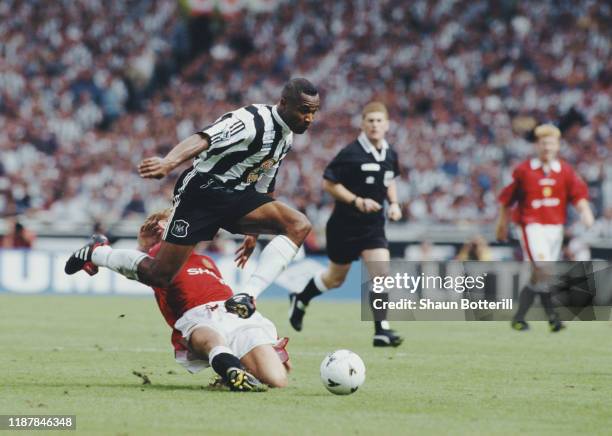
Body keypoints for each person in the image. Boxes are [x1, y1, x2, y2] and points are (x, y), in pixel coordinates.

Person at [65, 78, 320, 318]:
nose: (309, 118)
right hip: (202, 193)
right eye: (304, 110)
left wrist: (253, 233)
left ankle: (246, 296)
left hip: (238, 198)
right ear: (284, 103)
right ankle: (98, 252)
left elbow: (264, 181)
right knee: (160, 275)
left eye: (313, 112)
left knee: (298, 224)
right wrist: (168, 162)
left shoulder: (286, 137)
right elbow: (203, 138)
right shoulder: (251, 120)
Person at [288, 102, 403, 347]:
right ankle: (301, 297)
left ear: (387, 125)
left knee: (381, 273)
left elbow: (390, 179)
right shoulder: (351, 153)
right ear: (362, 124)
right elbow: (329, 183)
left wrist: (393, 203)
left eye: (378, 121)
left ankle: (381, 330)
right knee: (335, 279)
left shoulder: (390, 153)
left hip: (373, 227)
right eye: (370, 121)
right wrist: (357, 201)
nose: (374, 125)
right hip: (344, 226)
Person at [141, 209, 290, 391]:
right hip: (197, 317)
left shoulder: (206, 261)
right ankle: (230, 368)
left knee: (277, 380)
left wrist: (268, 345)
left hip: (232, 315)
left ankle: (238, 370)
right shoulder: (158, 258)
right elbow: (139, 261)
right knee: (211, 337)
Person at [496, 124, 594, 332]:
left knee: (538, 276)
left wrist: (585, 211)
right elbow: (507, 199)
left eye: (551, 143)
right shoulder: (524, 170)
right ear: (536, 145)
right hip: (531, 227)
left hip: (554, 228)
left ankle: (520, 318)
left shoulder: (565, 170)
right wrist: (502, 224)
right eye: (543, 143)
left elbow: (578, 194)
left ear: (558, 146)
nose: (547, 147)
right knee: (544, 268)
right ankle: (554, 316)